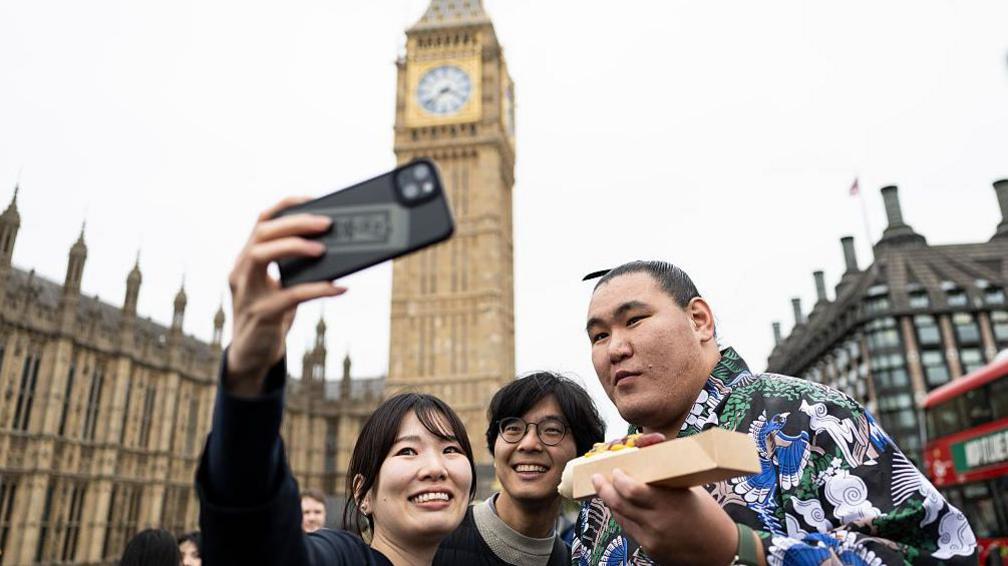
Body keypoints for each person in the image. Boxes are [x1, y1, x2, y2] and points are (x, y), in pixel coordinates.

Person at [573, 260, 978, 565]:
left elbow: (940, 553)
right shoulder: (603, 484)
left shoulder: (808, 415)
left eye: (635, 320)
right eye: (599, 335)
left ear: (699, 320)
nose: (615, 349)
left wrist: (739, 548)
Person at [195, 198, 476, 566]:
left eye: (451, 450)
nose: (435, 467)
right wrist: (250, 375)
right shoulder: (344, 557)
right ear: (363, 495)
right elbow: (254, 543)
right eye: (407, 450)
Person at [434, 371, 606, 565]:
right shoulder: (431, 542)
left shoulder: (576, 562)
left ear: (581, 454)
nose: (529, 444)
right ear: (494, 447)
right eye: (513, 428)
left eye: (551, 430)